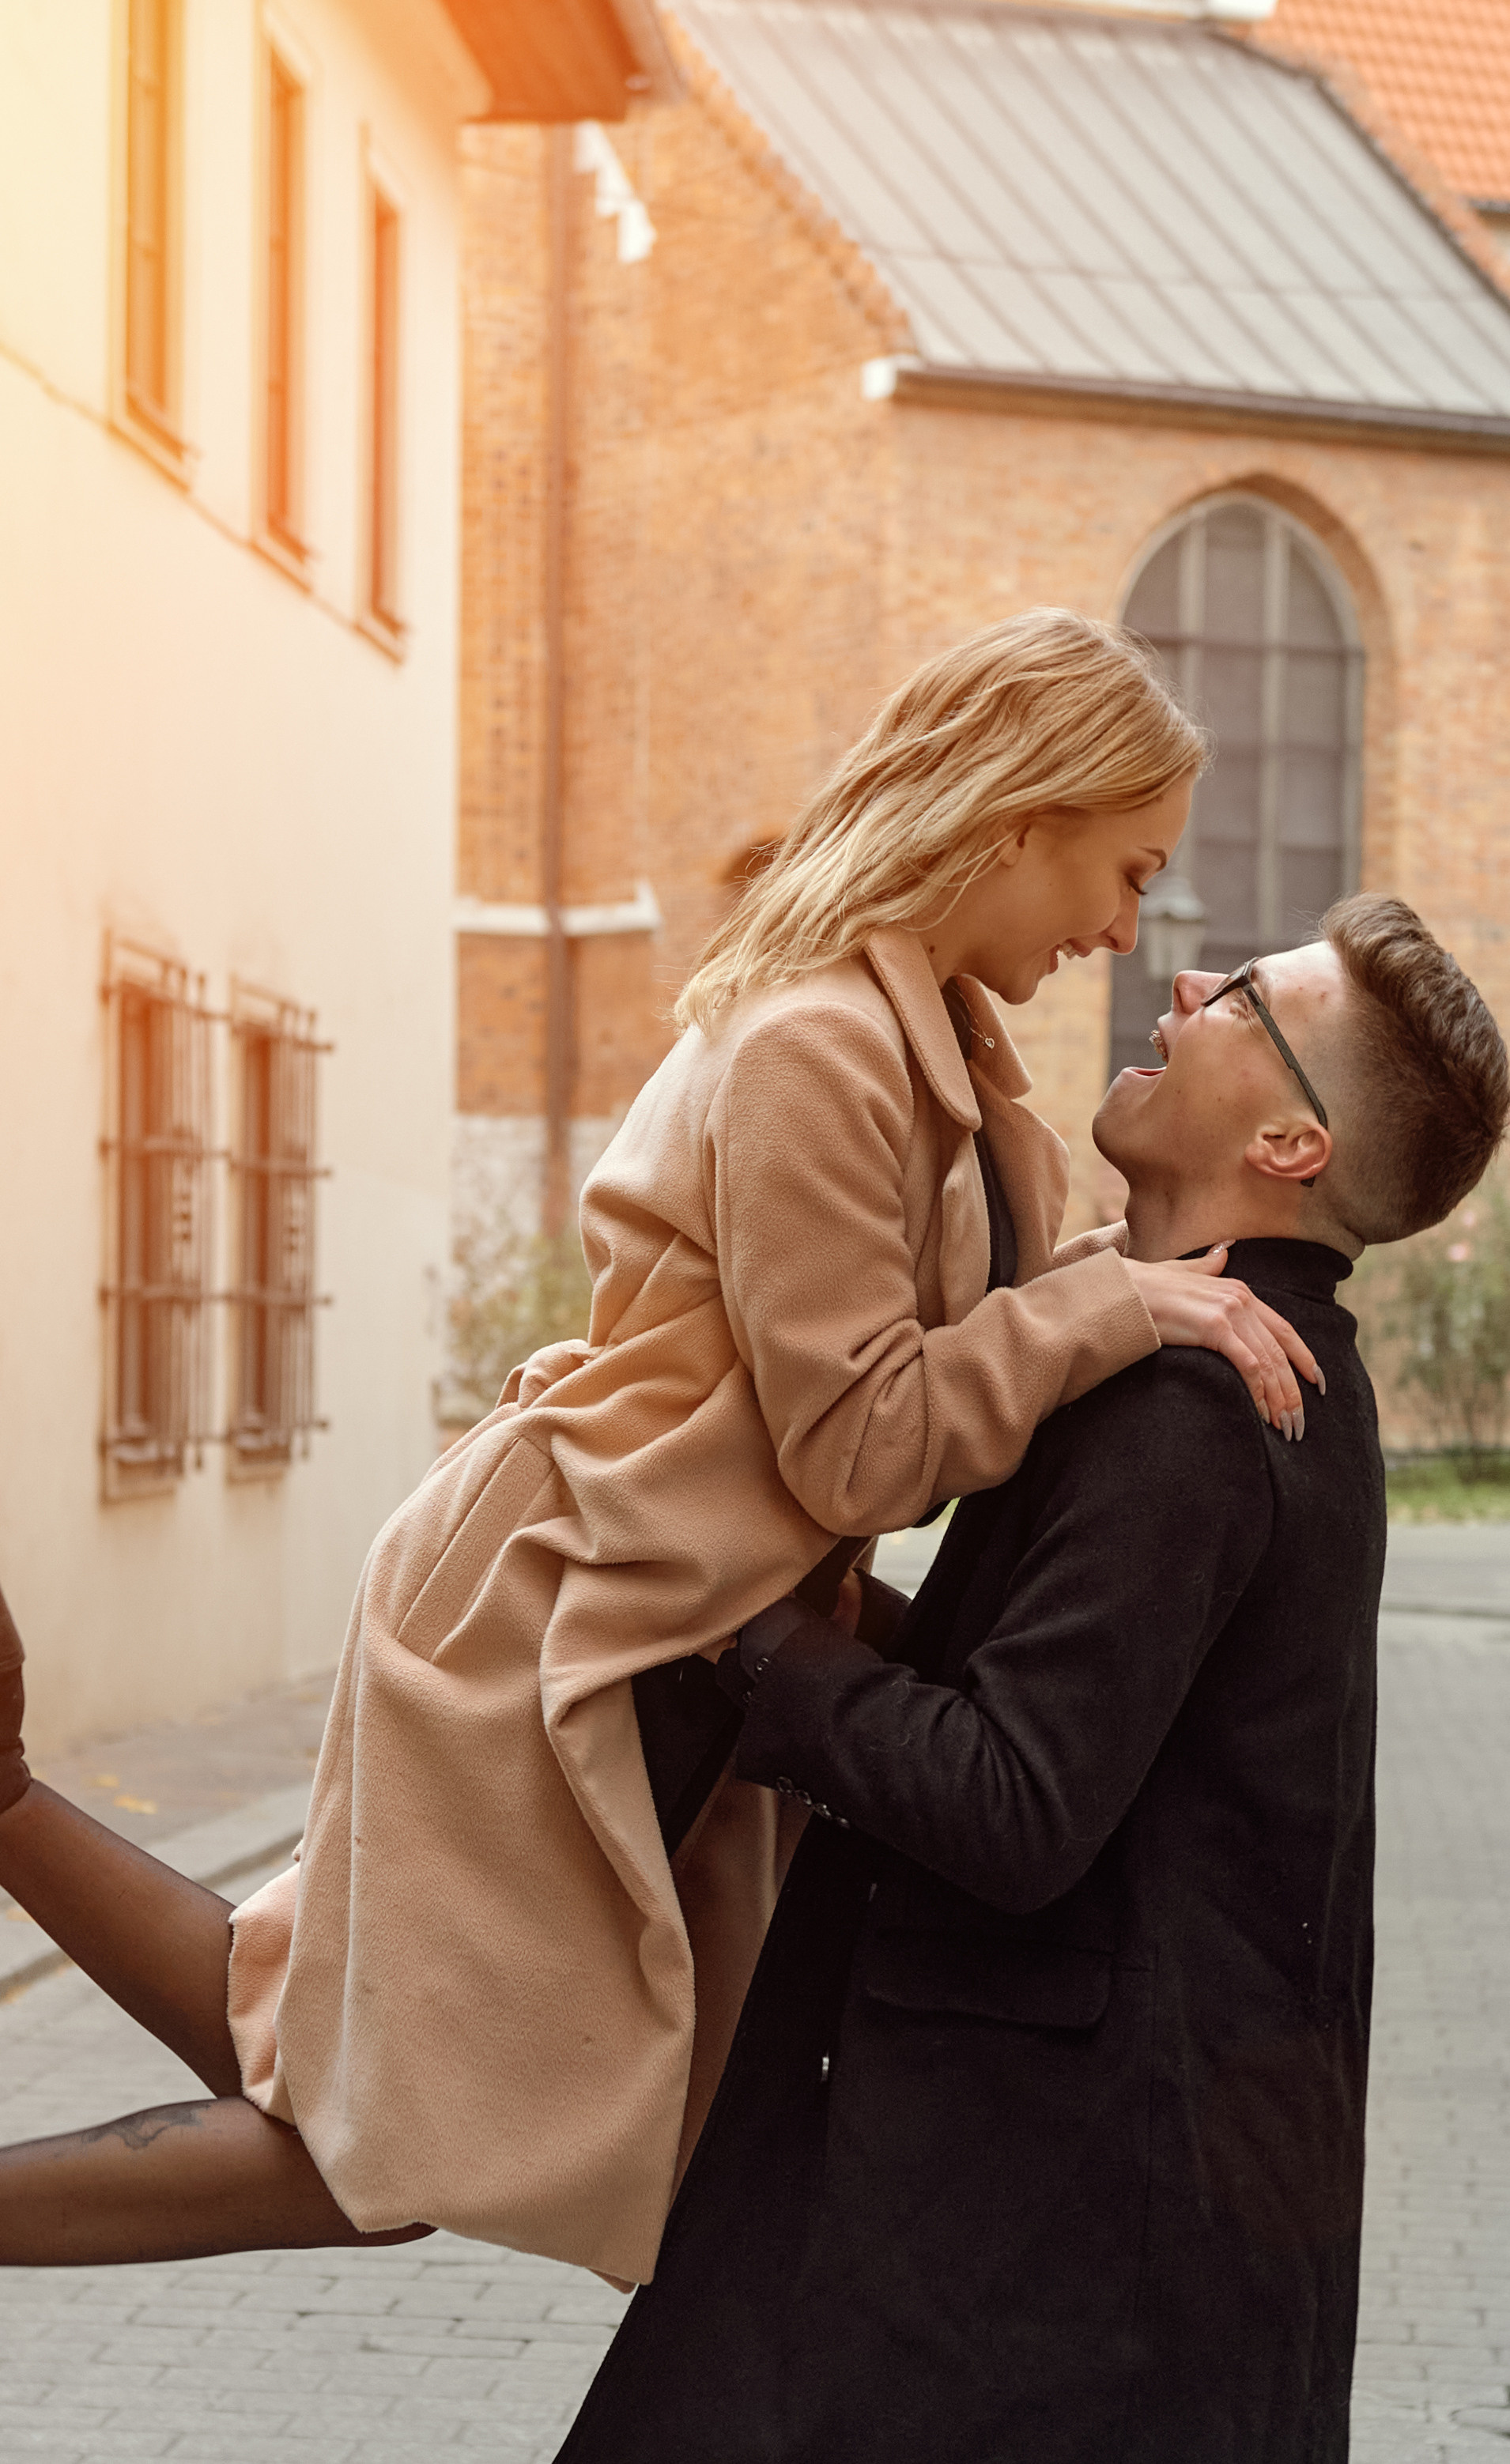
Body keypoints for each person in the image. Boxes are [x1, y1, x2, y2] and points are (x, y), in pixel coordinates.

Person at [0, 609, 1323, 2385]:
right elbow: (855, 1445)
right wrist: (1108, 1300)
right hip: (562, 1613)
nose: (1126, 924)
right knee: (386, 2153)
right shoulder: (820, 1041)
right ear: (1014, 815)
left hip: (642, 1613)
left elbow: (912, 1368)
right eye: (1122, 866)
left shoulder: (933, 1046)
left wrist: (1122, 1289)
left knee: (325, 2056)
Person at [553, 893, 1509, 2464]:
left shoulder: (1206, 1404)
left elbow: (1011, 1799)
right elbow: (1056, 1708)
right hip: (1058, 2245)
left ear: (1286, 1140)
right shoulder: (1227, 1359)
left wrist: (751, 1636)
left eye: (1241, 994)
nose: (1182, 976)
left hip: (1010, 2265)